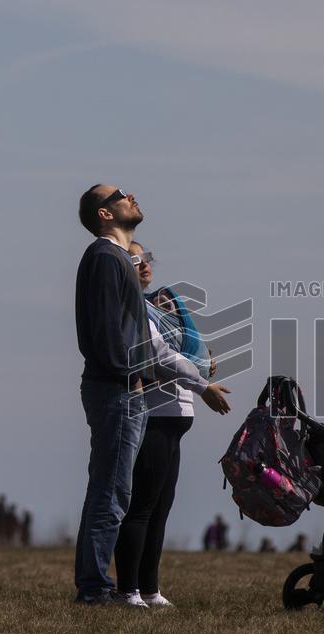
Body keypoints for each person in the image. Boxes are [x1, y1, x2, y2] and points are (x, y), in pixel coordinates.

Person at [113, 241, 232, 609]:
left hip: (176, 418)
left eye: (146, 258)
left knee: (161, 508)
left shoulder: (159, 308)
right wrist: (202, 384)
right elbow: (160, 356)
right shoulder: (135, 309)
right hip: (154, 415)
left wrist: (204, 364)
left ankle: (149, 588)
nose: (144, 264)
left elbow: (184, 351)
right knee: (142, 507)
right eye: (134, 260)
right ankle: (128, 590)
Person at [73, 184, 157, 604]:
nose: (132, 195)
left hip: (122, 388)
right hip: (117, 390)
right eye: (121, 193)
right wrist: (132, 375)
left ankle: (93, 585)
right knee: (111, 492)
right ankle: (93, 589)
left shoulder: (119, 258)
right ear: (105, 214)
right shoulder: (106, 258)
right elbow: (107, 332)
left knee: (108, 488)